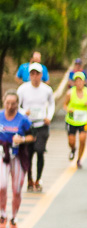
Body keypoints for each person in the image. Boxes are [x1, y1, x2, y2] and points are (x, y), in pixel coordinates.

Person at [16, 63, 54, 192]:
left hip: (42, 125)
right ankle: (29, 179)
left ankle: (38, 179)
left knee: (40, 150)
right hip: (28, 125)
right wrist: (23, 112)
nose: (35, 76)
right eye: (32, 74)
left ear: (41, 75)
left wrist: (49, 116)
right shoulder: (22, 89)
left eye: (37, 74)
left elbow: (52, 104)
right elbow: (18, 106)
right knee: (28, 153)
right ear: (29, 75)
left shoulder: (47, 90)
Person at [0, 91, 34, 228]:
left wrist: (22, 140)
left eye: (13, 103)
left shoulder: (23, 119)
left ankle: (14, 217)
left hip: (18, 156)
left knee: (17, 190)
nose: (10, 106)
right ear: (3, 102)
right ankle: (2, 215)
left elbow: (33, 136)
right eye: (7, 103)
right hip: (2, 156)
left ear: (17, 104)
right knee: (1, 186)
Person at [64, 72, 87, 169]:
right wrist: (69, 109)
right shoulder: (70, 93)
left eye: (80, 80)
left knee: (82, 139)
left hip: (83, 120)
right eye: (76, 80)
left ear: (84, 82)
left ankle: (79, 159)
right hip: (71, 120)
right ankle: (73, 149)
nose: (78, 82)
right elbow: (64, 105)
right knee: (71, 141)